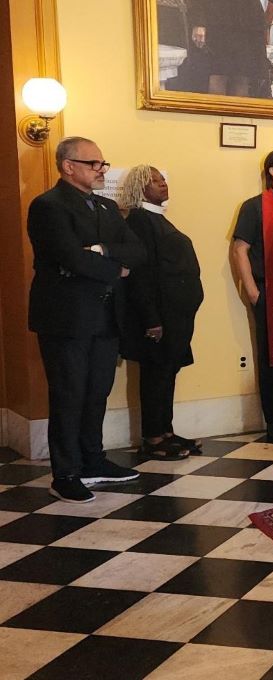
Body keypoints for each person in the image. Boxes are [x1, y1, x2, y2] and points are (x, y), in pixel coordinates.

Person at [28, 137, 146, 503]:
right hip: (67, 318)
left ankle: (93, 460)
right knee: (68, 394)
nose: (102, 170)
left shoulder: (108, 207)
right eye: (95, 164)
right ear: (68, 166)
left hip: (105, 316)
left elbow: (137, 251)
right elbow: (69, 257)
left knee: (97, 393)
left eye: (102, 164)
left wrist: (104, 251)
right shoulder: (48, 206)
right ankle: (65, 472)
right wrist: (116, 267)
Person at [119, 165, 204, 460]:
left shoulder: (157, 218)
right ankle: (153, 437)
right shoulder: (141, 221)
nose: (163, 184)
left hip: (177, 315)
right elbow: (143, 273)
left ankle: (165, 431)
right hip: (160, 317)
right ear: (141, 187)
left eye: (163, 179)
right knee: (156, 375)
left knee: (167, 373)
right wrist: (151, 319)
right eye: (155, 181)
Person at [231, 148, 273, 443]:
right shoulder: (254, 206)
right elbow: (239, 250)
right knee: (270, 359)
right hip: (267, 291)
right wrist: (254, 291)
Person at [187, 0, 273, 97]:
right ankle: (215, 120)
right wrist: (198, 22)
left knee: (243, 76)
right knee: (218, 75)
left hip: (247, 23)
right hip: (218, 22)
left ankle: (238, 120)